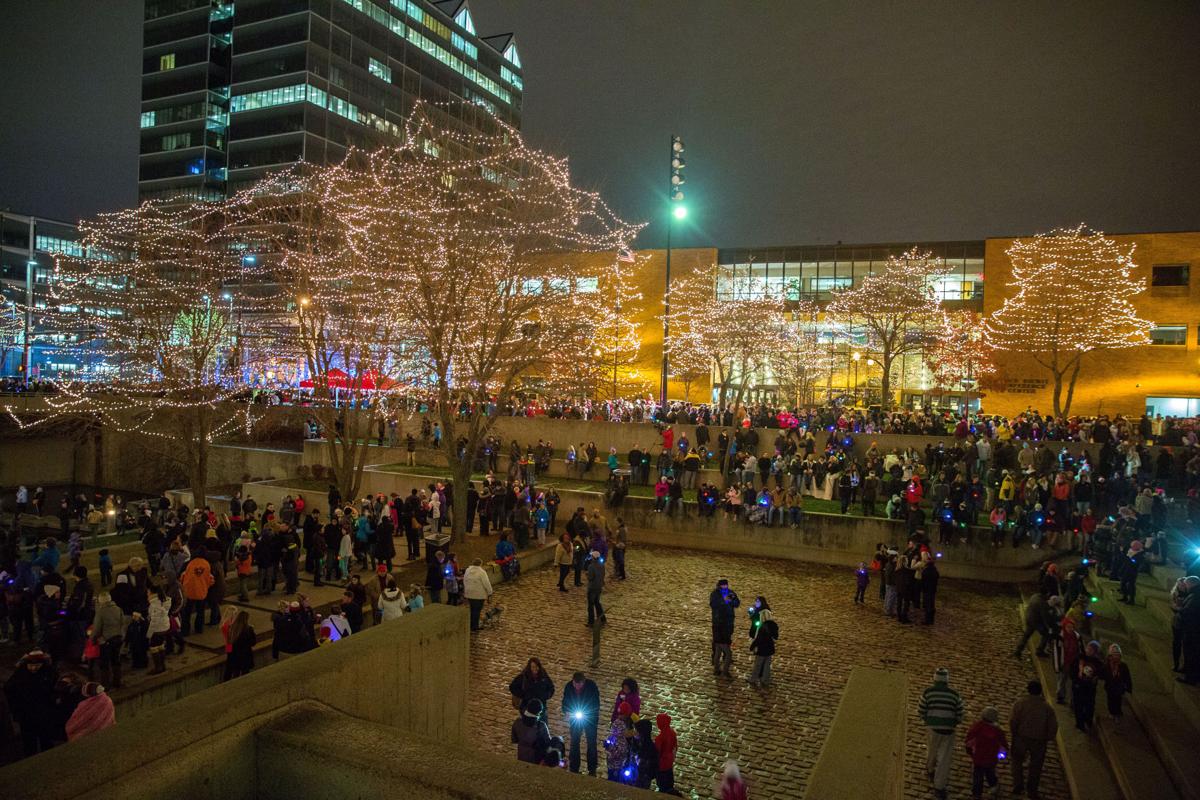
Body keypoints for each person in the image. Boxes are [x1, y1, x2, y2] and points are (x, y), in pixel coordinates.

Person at [919, 667, 964, 800]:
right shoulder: (955, 695)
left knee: (932, 749)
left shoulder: (928, 692)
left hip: (932, 727)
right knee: (944, 757)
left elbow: (921, 709)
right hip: (948, 729)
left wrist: (927, 720)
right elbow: (960, 713)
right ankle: (939, 785)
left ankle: (930, 768)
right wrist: (954, 722)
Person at [4, 649, 57, 756]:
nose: (33, 668)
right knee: (29, 741)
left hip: (43, 713)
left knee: (45, 738)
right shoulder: (20, 674)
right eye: (30, 665)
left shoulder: (49, 673)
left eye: (37, 665)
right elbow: (9, 689)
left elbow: (53, 691)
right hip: (26, 714)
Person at [1010, 680, 1057, 800]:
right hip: (1039, 740)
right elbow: (1052, 726)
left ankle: (1018, 785)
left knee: (1017, 761)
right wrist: (1048, 737)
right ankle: (1032, 790)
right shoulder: (1047, 708)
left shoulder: (1020, 704)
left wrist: (1014, 733)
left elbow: (1013, 720)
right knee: (1036, 766)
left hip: (1021, 736)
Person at [562, 671, 601, 776]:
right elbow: (565, 702)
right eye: (575, 684)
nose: (577, 687)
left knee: (591, 743)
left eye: (580, 685)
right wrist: (567, 711)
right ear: (573, 682)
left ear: (584, 682)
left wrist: (588, 713)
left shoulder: (591, 686)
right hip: (575, 719)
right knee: (574, 742)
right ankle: (574, 767)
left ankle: (592, 769)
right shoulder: (569, 687)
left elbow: (596, 703)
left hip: (590, 719)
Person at [965, 706, 1008, 800]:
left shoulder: (977, 727)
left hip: (978, 758)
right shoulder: (998, 731)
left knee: (978, 776)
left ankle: (977, 794)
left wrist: (970, 751)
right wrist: (1003, 754)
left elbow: (969, 741)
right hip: (991, 758)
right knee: (990, 772)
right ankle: (994, 785)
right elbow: (1003, 745)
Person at [710, 578, 740, 676]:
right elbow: (713, 605)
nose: (725, 587)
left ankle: (722, 660)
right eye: (723, 586)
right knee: (717, 642)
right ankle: (716, 660)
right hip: (718, 622)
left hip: (729, 621)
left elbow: (737, 603)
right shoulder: (715, 594)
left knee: (726, 640)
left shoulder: (730, 592)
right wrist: (724, 601)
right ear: (719, 586)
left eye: (726, 585)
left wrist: (732, 600)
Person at [1073, 640, 1104, 731]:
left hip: (1090, 687)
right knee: (1078, 705)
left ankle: (1087, 721)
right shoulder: (1080, 658)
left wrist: (1096, 677)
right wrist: (1076, 680)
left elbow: (1100, 673)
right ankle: (1080, 723)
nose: (1088, 651)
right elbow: (1073, 669)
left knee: (1089, 705)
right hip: (1079, 685)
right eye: (1088, 649)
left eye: (1091, 650)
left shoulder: (1098, 663)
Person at [604, 700, 637, 783]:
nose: (620, 716)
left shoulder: (632, 719)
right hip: (615, 761)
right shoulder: (619, 724)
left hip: (621, 757)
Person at [512, 698, 552, 764]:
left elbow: (514, 739)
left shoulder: (517, 722)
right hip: (536, 758)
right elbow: (548, 743)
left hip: (522, 755)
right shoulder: (541, 726)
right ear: (539, 712)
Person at [748, 605, 779, 687]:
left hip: (762, 650)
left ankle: (753, 679)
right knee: (767, 666)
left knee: (757, 665)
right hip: (770, 649)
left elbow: (758, 639)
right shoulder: (773, 625)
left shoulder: (762, 627)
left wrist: (752, 646)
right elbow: (776, 636)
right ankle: (765, 680)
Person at [1102, 643, 1133, 722]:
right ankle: (1112, 712)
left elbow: (1127, 677)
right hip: (1110, 687)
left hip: (1119, 687)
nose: (1116, 657)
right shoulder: (1107, 665)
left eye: (1118, 655)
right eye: (1114, 655)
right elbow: (1103, 674)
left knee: (1118, 701)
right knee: (1110, 700)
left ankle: (1117, 713)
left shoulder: (1123, 666)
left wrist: (1128, 687)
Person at [463, 558, 493, 632]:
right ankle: (475, 626)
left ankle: (471, 624)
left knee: (472, 609)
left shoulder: (467, 570)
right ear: (480, 564)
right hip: (479, 595)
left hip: (469, 594)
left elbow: (464, 580)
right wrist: (490, 592)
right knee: (477, 610)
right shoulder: (482, 572)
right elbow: (486, 583)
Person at [654, 712, 681, 795]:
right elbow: (675, 747)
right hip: (669, 761)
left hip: (662, 764)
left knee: (662, 783)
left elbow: (657, 752)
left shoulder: (660, 738)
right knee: (669, 778)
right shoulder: (672, 733)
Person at [225, 610, 256, 680]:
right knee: (245, 674)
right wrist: (253, 631)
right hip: (245, 656)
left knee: (236, 673)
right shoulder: (248, 629)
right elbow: (253, 642)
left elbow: (228, 642)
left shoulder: (231, 628)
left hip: (234, 655)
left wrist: (228, 654)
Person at [586, 550, 606, 627]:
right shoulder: (602, 565)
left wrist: (587, 575)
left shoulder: (591, 566)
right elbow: (603, 575)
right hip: (599, 587)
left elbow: (590, 578)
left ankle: (591, 622)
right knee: (597, 602)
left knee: (591, 605)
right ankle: (602, 618)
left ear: (593, 558)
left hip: (592, 587)